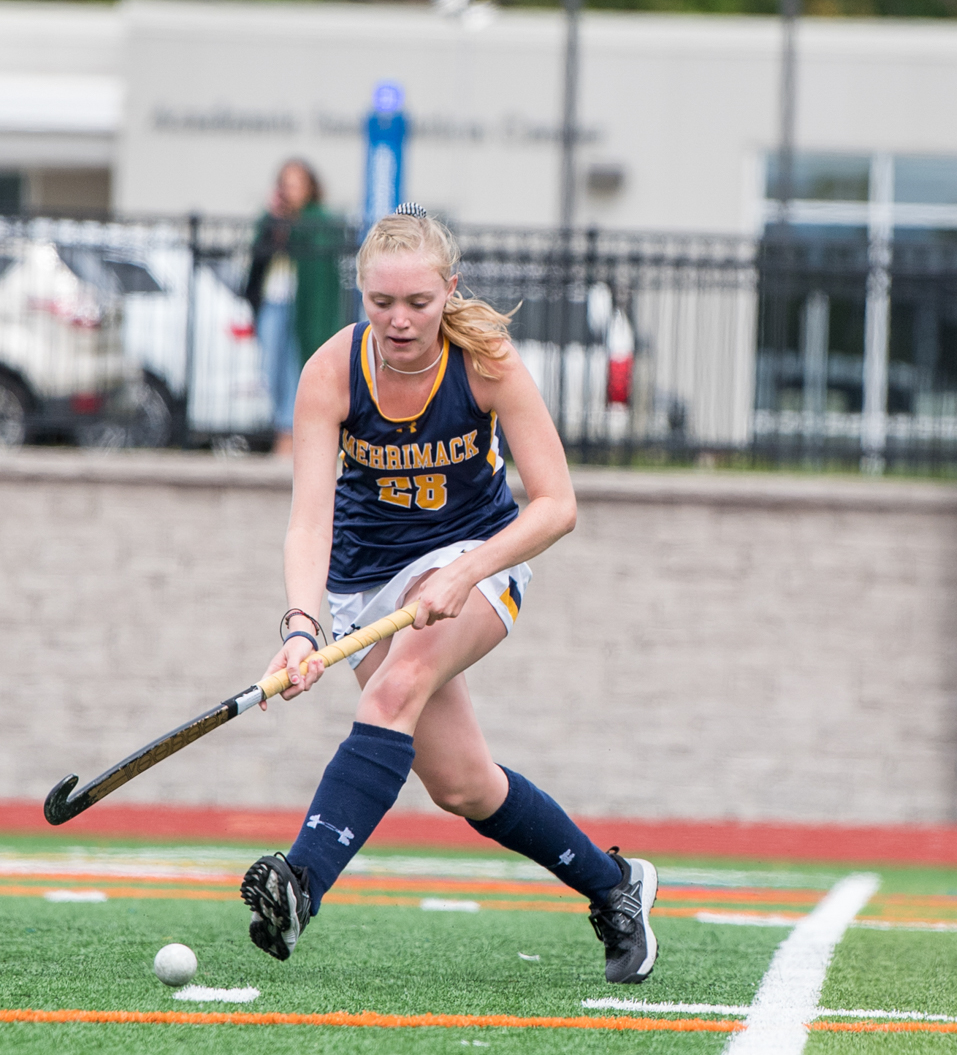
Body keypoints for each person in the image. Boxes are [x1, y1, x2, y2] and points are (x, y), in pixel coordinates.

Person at [239, 204, 657, 985]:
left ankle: (301, 882)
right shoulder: (331, 372)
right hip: (366, 578)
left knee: (395, 686)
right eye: (381, 302)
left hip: (478, 554)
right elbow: (309, 520)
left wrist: (466, 572)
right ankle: (615, 885)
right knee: (464, 784)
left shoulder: (485, 362)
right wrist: (300, 628)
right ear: (361, 294)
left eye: (418, 302)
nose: (399, 320)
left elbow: (556, 505)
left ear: (450, 290)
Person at [246, 159, 345, 456]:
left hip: (304, 304)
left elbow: (323, 267)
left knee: (296, 365)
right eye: (285, 183)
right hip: (273, 301)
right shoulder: (272, 219)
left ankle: (288, 431)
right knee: (271, 365)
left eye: (296, 184)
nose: (290, 190)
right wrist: (274, 222)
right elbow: (258, 257)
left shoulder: (318, 220)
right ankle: (281, 424)